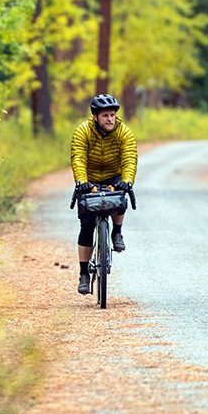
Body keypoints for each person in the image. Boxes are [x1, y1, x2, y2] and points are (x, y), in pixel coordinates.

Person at [70, 94, 138, 295]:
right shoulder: (83, 131)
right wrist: (81, 181)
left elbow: (129, 157)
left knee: (120, 197)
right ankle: (84, 274)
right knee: (87, 224)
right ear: (95, 117)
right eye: (106, 115)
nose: (110, 119)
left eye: (113, 115)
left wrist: (127, 180)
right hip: (89, 179)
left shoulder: (123, 132)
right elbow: (78, 157)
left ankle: (116, 231)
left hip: (113, 176)